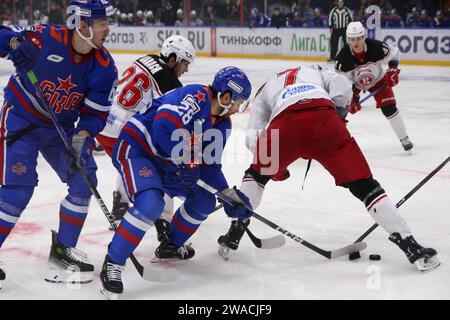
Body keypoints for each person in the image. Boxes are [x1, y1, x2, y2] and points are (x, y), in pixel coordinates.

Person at [217, 64, 440, 274]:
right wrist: (339, 112)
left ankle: (235, 230)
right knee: (364, 184)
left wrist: (271, 164)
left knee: (256, 176)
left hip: (283, 125)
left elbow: (252, 136)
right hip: (323, 117)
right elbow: (342, 85)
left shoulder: (266, 87)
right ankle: (411, 246)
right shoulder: (318, 69)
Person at [99, 67, 252, 298]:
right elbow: (163, 126)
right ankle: (113, 262)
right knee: (151, 204)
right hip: (138, 148)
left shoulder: (222, 124)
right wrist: (185, 159)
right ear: (226, 96)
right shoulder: (196, 96)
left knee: (205, 200)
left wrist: (228, 195)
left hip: (168, 162)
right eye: (239, 101)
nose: (240, 107)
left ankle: (170, 245)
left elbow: (210, 167)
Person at [0, 0, 117, 287]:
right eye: (102, 23)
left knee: (83, 179)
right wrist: (14, 41)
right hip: (21, 119)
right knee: (17, 191)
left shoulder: (104, 67)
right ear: (83, 25)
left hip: (59, 128)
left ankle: (63, 250)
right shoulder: (45, 37)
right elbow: (3, 36)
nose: (108, 30)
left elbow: (95, 113)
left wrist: (84, 136)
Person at [96, 35, 196, 241]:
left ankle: (121, 203)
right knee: (161, 169)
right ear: (172, 59)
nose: (185, 69)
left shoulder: (146, 58)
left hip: (103, 124)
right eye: (184, 63)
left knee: (130, 161)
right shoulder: (169, 82)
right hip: (121, 133)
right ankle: (164, 224)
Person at [335, 21, 413, 152]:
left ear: (364, 37)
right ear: (348, 40)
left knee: (389, 108)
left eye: (359, 38)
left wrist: (393, 70)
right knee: (340, 113)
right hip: (355, 84)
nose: (356, 43)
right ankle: (332, 143)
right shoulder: (343, 57)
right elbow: (343, 83)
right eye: (353, 39)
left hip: (378, 80)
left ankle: (404, 138)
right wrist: (353, 96)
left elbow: (394, 54)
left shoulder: (376, 46)